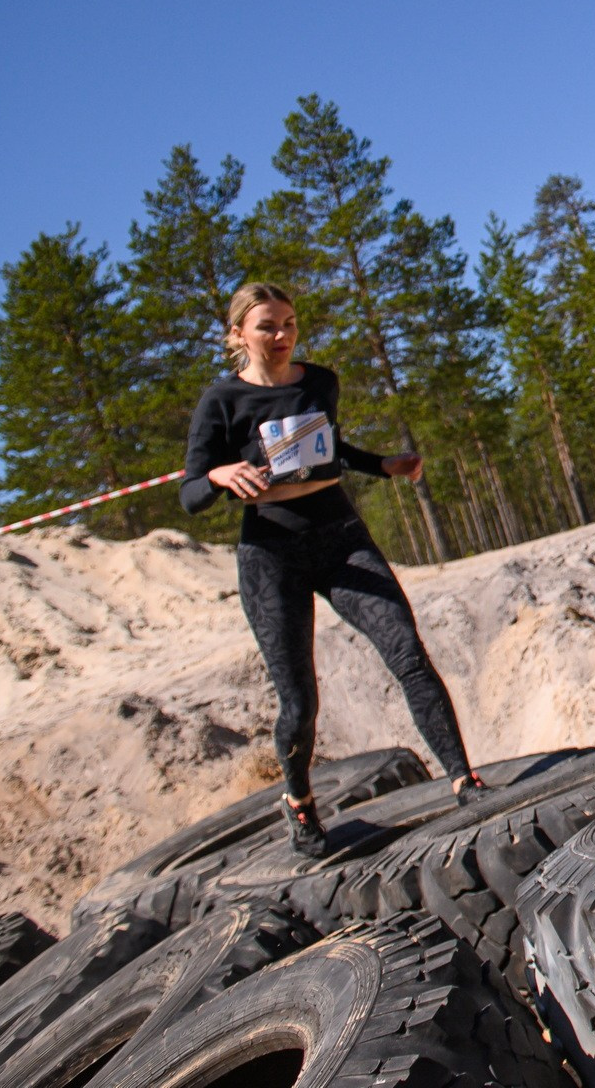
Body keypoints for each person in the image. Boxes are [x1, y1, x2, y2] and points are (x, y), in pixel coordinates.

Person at [182, 282, 482, 855]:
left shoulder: (320, 382)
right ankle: (299, 803)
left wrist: (384, 465)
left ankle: (463, 780)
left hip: (341, 538)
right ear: (238, 334)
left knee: (407, 653)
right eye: (268, 326)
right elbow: (190, 493)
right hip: (272, 557)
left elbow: (329, 447)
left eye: (290, 323)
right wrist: (220, 475)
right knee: (300, 702)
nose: (282, 335)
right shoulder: (221, 401)